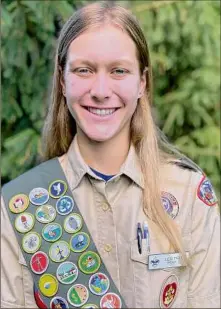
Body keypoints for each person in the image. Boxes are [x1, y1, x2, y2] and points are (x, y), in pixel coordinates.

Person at [1, 1, 220, 308]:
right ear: (63, 81)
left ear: (141, 82)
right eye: (84, 70)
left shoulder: (188, 197)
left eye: (119, 70)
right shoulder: (19, 207)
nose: (101, 90)